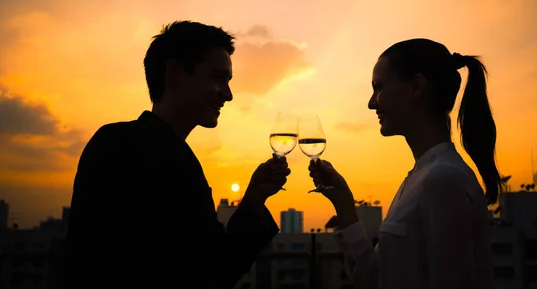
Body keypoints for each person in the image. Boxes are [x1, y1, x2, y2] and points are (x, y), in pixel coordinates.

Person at [64, 21, 290, 289]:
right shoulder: (131, 151)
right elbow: (205, 272)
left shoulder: (128, 144)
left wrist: (253, 199)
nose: (228, 95)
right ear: (175, 73)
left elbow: (212, 265)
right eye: (218, 78)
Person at [309, 39, 503, 289]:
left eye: (378, 88)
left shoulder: (443, 180)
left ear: (416, 87)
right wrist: (344, 203)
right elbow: (377, 279)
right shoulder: (422, 176)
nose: (371, 103)